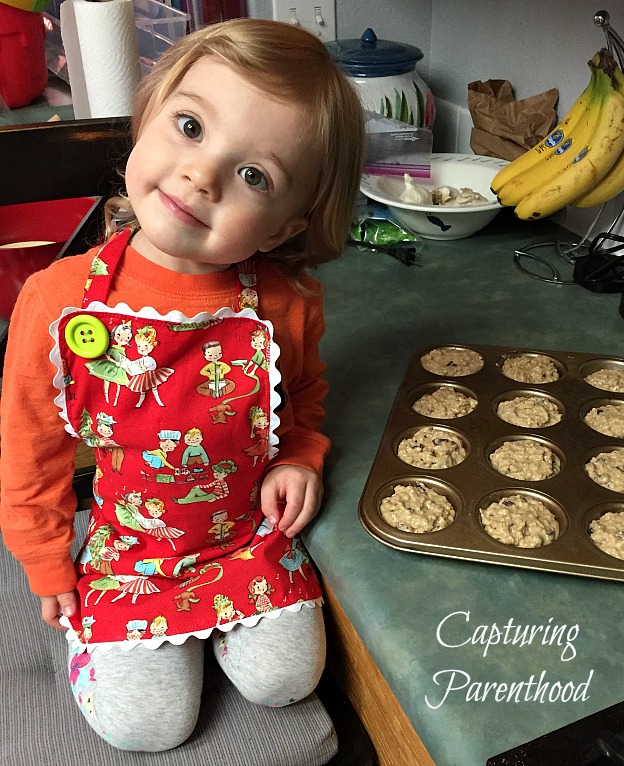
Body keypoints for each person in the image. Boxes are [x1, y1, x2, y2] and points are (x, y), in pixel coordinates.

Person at [0, 19, 364, 753]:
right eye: (190, 126)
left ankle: (213, 630)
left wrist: (300, 454)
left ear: (280, 228)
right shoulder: (56, 299)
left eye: (254, 175)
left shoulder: (286, 304)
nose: (203, 175)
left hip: (243, 541)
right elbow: (28, 446)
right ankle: (96, 646)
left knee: (286, 680)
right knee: (150, 727)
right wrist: (44, 558)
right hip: (130, 550)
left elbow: (303, 398)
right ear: (151, 112)